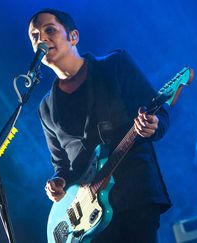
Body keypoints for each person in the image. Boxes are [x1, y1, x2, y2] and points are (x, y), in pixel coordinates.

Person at [28, 8, 171, 242]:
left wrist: (153, 124)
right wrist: (58, 182)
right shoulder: (46, 107)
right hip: (87, 217)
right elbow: (61, 165)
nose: (41, 38)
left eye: (50, 30)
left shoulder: (115, 65)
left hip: (133, 196)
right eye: (34, 36)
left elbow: (160, 112)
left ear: (73, 37)